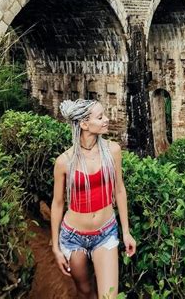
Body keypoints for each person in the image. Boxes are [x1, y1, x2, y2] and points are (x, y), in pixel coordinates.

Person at [51, 99, 136, 299]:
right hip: (73, 237)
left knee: (109, 296)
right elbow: (57, 203)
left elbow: (120, 190)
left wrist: (126, 232)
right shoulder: (64, 161)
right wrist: (55, 247)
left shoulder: (112, 150)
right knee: (85, 291)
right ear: (84, 124)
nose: (107, 120)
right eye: (100, 117)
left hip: (105, 233)